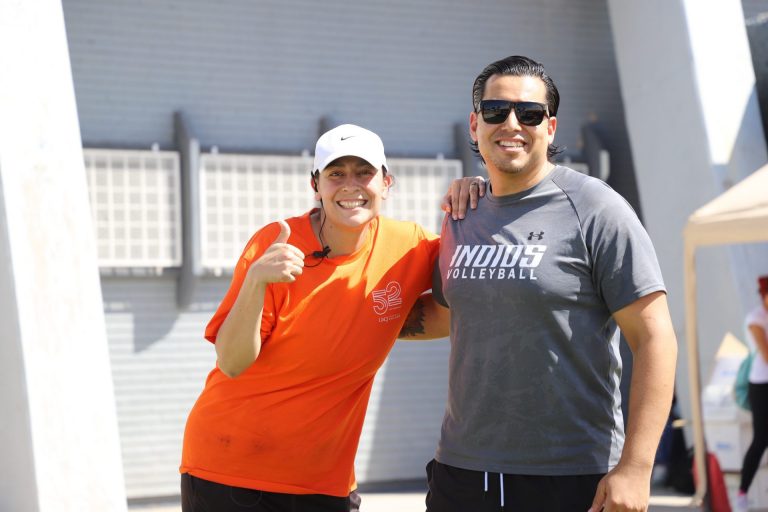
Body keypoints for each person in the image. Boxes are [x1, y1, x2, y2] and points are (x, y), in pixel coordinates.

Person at [426, 55, 678, 512]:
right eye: (495, 110)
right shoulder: (461, 213)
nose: (511, 124)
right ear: (475, 124)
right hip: (461, 471)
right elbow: (446, 316)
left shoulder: (596, 208)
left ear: (551, 127)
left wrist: (637, 467)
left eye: (529, 113)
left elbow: (655, 336)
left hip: (571, 475)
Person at [179, 123, 471, 512]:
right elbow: (232, 362)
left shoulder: (411, 246)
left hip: (324, 481)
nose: (351, 185)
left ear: (386, 183)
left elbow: (463, 304)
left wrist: (480, 196)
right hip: (229, 470)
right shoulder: (277, 242)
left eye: (364, 172)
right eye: (336, 174)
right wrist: (256, 281)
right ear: (315, 185)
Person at [735, 275, 768, 511]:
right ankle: (742, 494)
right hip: (761, 385)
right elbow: (766, 355)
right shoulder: (756, 318)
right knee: (761, 439)